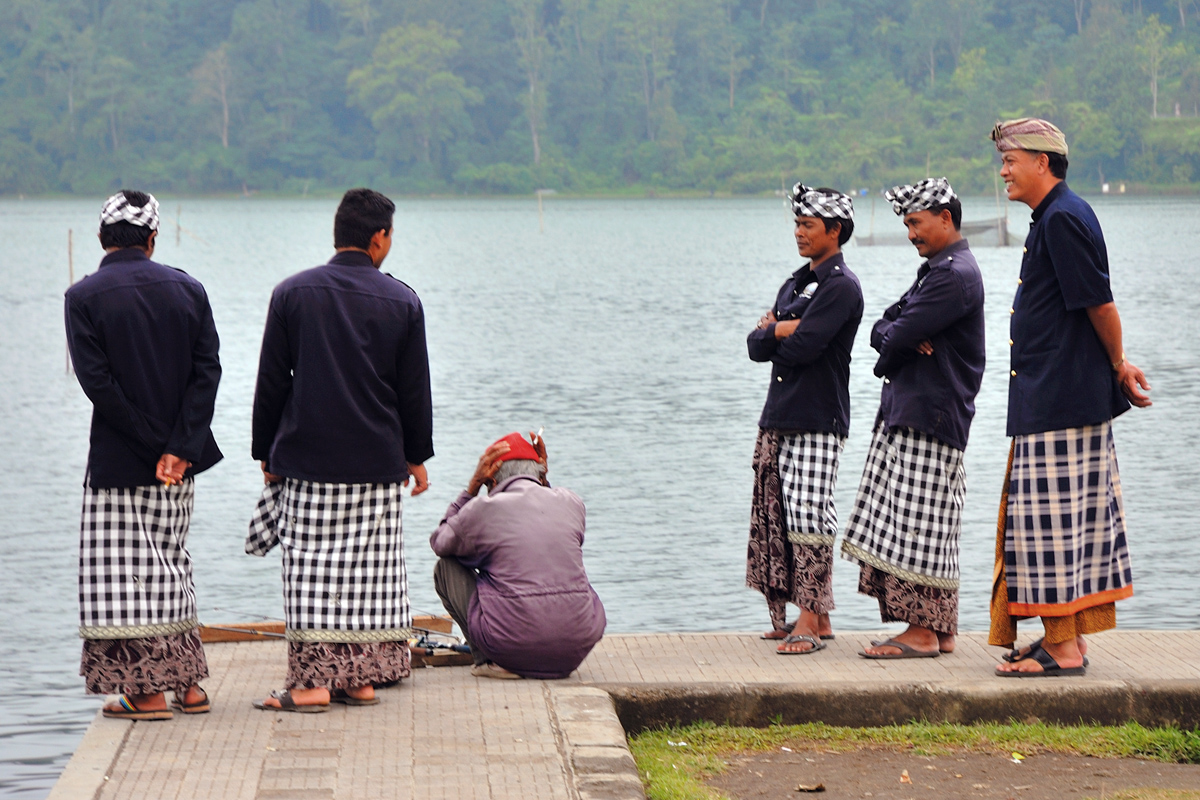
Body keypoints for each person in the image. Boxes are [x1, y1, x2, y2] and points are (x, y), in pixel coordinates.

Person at [247, 188, 433, 711]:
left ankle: (311, 685)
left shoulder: (292, 293)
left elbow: (272, 383)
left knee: (310, 571)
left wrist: (265, 449)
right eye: (390, 235)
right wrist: (416, 455)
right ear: (378, 238)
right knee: (368, 574)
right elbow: (413, 389)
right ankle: (359, 680)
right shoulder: (402, 300)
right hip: (377, 464)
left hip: (308, 461)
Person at [988, 118, 1151, 677]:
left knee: (1049, 528)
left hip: (1061, 398)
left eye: (1011, 160)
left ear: (1042, 162)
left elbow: (1099, 304)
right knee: (1059, 525)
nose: (1003, 170)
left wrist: (1117, 364)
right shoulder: (1054, 216)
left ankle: (1061, 650)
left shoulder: (1062, 219)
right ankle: (1068, 643)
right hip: (1055, 395)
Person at [65, 190, 222, 720]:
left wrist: (151, 445)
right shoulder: (188, 288)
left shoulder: (84, 296)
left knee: (122, 578)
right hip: (181, 463)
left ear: (102, 238)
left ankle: (147, 693)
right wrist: (179, 448)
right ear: (153, 239)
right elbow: (207, 374)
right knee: (172, 564)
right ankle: (189, 687)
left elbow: (99, 386)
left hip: (119, 460)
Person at [839, 178, 985, 659]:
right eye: (906, 224)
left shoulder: (950, 275)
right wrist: (896, 334)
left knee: (916, 526)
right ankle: (939, 630)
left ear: (946, 218)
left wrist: (897, 338)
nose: (910, 233)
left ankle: (920, 633)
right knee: (930, 523)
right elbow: (886, 324)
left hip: (929, 413)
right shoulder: (940, 270)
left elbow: (896, 334)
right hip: (927, 410)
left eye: (916, 223)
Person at [746, 184, 864, 655]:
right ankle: (819, 617)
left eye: (808, 225)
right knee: (779, 514)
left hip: (817, 416)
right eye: (796, 224)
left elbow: (804, 348)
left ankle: (810, 619)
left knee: (810, 515)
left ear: (834, 231)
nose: (798, 232)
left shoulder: (842, 286)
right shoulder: (796, 282)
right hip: (780, 413)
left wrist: (776, 329)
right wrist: (781, 328)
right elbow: (756, 347)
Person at [429, 432, 606, 679]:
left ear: (491, 479)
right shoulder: (572, 502)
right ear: (540, 473)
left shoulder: (483, 509)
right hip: (577, 646)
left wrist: (472, 488)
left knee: (446, 566)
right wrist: (543, 478)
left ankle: (488, 662)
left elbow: (440, 541)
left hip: (511, 646)